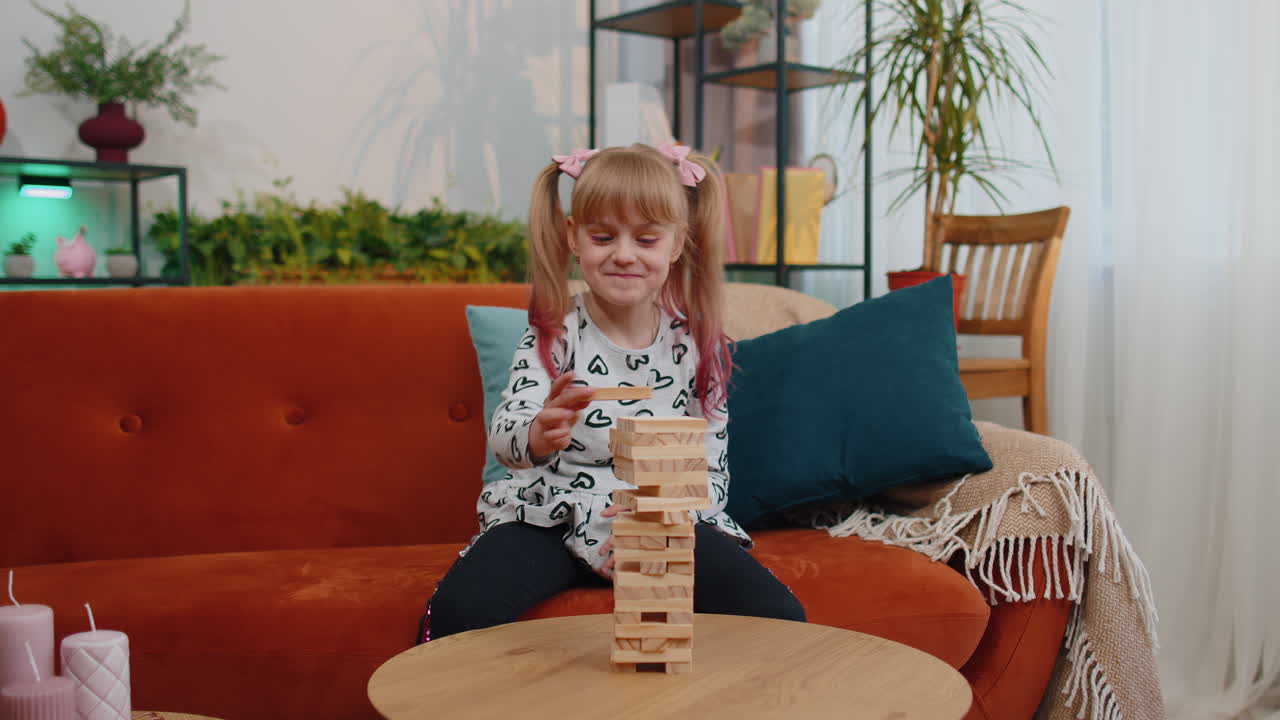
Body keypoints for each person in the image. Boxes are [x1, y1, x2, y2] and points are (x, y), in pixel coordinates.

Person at [419, 142, 805, 643]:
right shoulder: (550, 336)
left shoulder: (697, 347)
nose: (624, 254)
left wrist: (661, 519)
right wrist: (538, 433)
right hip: (549, 515)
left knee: (779, 617)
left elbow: (710, 470)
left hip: (658, 516)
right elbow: (505, 438)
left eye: (645, 239)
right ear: (574, 237)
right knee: (457, 614)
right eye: (604, 236)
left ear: (676, 244)